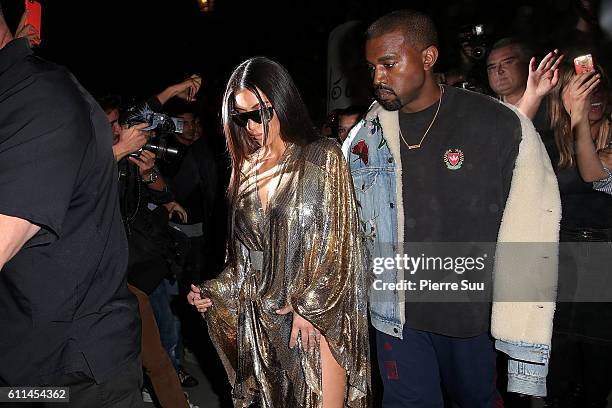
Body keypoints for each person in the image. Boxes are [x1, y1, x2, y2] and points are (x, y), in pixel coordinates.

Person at [343, 10, 561, 406]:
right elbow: (344, 226)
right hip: (398, 318)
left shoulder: (495, 123)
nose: (377, 78)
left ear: (427, 57)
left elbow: (533, 227)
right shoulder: (364, 139)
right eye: (372, 67)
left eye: (389, 64)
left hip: (472, 318)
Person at [187, 57, 370, 407]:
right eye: (241, 116)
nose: (252, 125)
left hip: (314, 320)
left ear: (283, 100)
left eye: (261, 111)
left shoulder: (322, 158)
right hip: (260, 322)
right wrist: (214, 291)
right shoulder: (244, 169)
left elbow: (340, 248)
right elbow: (244, 260)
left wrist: (311, 308)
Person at [0, 8, 142, 407]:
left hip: (75, 365)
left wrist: (151, 179)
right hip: (28, 353)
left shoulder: (43, 99)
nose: (113, 127)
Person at [542, 62, 612, 407]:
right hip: (560, 257)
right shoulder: (549, 141)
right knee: (557, 371)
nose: (593, 95)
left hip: (605, 260)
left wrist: (580, 118)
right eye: (584, 87)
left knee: (598, 373)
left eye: (598, 86)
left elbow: (594, 173)